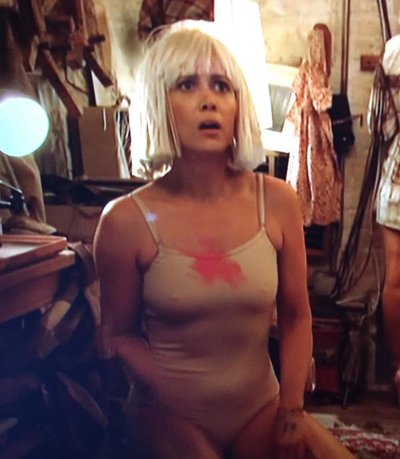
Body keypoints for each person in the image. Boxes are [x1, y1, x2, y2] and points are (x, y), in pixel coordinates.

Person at [94, 25, 354, 459]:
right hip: (169, 414)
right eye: (186, 85)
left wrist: (291, 412)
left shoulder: (278, 201)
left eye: (221, 86)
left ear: (238, 105)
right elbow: (118, 335)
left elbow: (296, 316)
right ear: (158, 102)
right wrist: (172, 396)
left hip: (260, 408)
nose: (208, 100)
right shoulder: (124, 221)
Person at [369, 34, 400, 405]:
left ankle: (399, 366)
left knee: (396, 279)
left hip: (397, 180)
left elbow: (378, 125)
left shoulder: (395, 50)